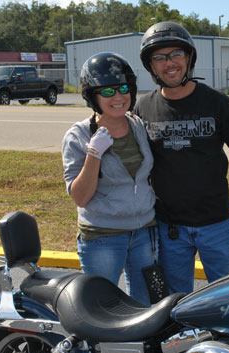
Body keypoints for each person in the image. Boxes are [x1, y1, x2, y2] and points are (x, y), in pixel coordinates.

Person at [134, 21, 229, 295]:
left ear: (189, 57)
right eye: (159, 57)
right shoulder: (142, 107)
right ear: (151, 66)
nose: (169, 63)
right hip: (169, 227)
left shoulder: (218, 103)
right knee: (176, 303)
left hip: (217, 224)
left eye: (176, 54)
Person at [62, 52, 157, 306]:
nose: (118, 97)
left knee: (144, 306)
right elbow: (80, 197)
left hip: (144, 232)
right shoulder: (78, 136)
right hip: (103, 236)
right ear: (92, 96)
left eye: (123, 88)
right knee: (101, 308)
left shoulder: (137, 125)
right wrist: (94, 154)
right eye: (107, 91)